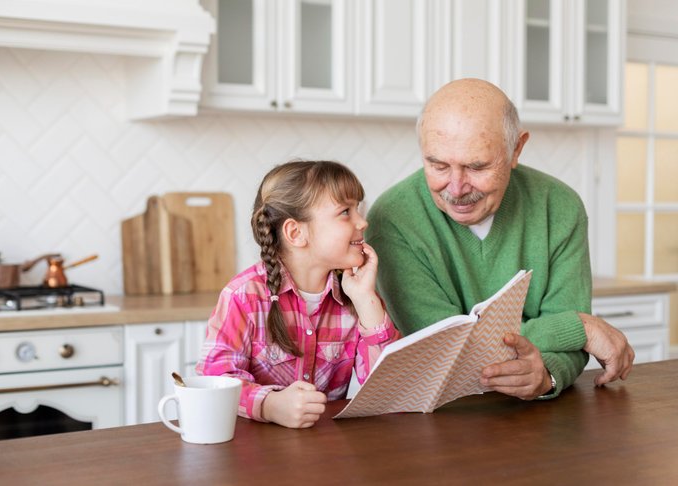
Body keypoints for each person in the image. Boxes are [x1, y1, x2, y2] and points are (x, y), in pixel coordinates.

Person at [366, 78, 634, 400]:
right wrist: (579, 328)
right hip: (436, 419)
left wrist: (546, 374)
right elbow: (445, 345)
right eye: (438, 165)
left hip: (538, 419)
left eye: (476, 166)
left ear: (516, 149)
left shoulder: (560, 207)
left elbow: (566, 354)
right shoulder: (392, 217)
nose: (456, 187)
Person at [196, 160, 400, 428]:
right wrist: (269, 406)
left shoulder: (355, 297)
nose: (363, 221)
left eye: (358, 209)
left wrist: (366, 300)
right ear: (296, 232)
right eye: (345, 212)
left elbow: (392, 387)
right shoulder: (244, 296)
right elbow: (215, 380)